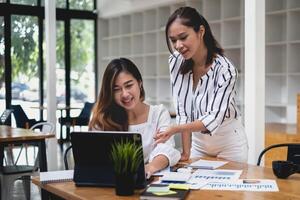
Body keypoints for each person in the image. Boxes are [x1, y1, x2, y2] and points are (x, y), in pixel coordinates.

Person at [155, 6, 248, 163]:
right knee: (194, 186)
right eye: (173, 41)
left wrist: (175, 129)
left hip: (230, 144)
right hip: (198, 145)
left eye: (183, 37)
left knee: (228, 188)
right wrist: (185, 152)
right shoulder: (176, 62)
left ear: (201, 32)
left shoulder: (225, 70)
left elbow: (213, 119)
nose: (178, 45)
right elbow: (183, 110)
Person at [89, 58, 180, 177]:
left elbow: (166, 150)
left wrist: (149, 168)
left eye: (129, 85)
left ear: (139, 83)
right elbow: (95, 157)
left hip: (149, 180)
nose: (125, 94)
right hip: (111, 183)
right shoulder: (103, 118)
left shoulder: (158, 113)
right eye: (116, 89)